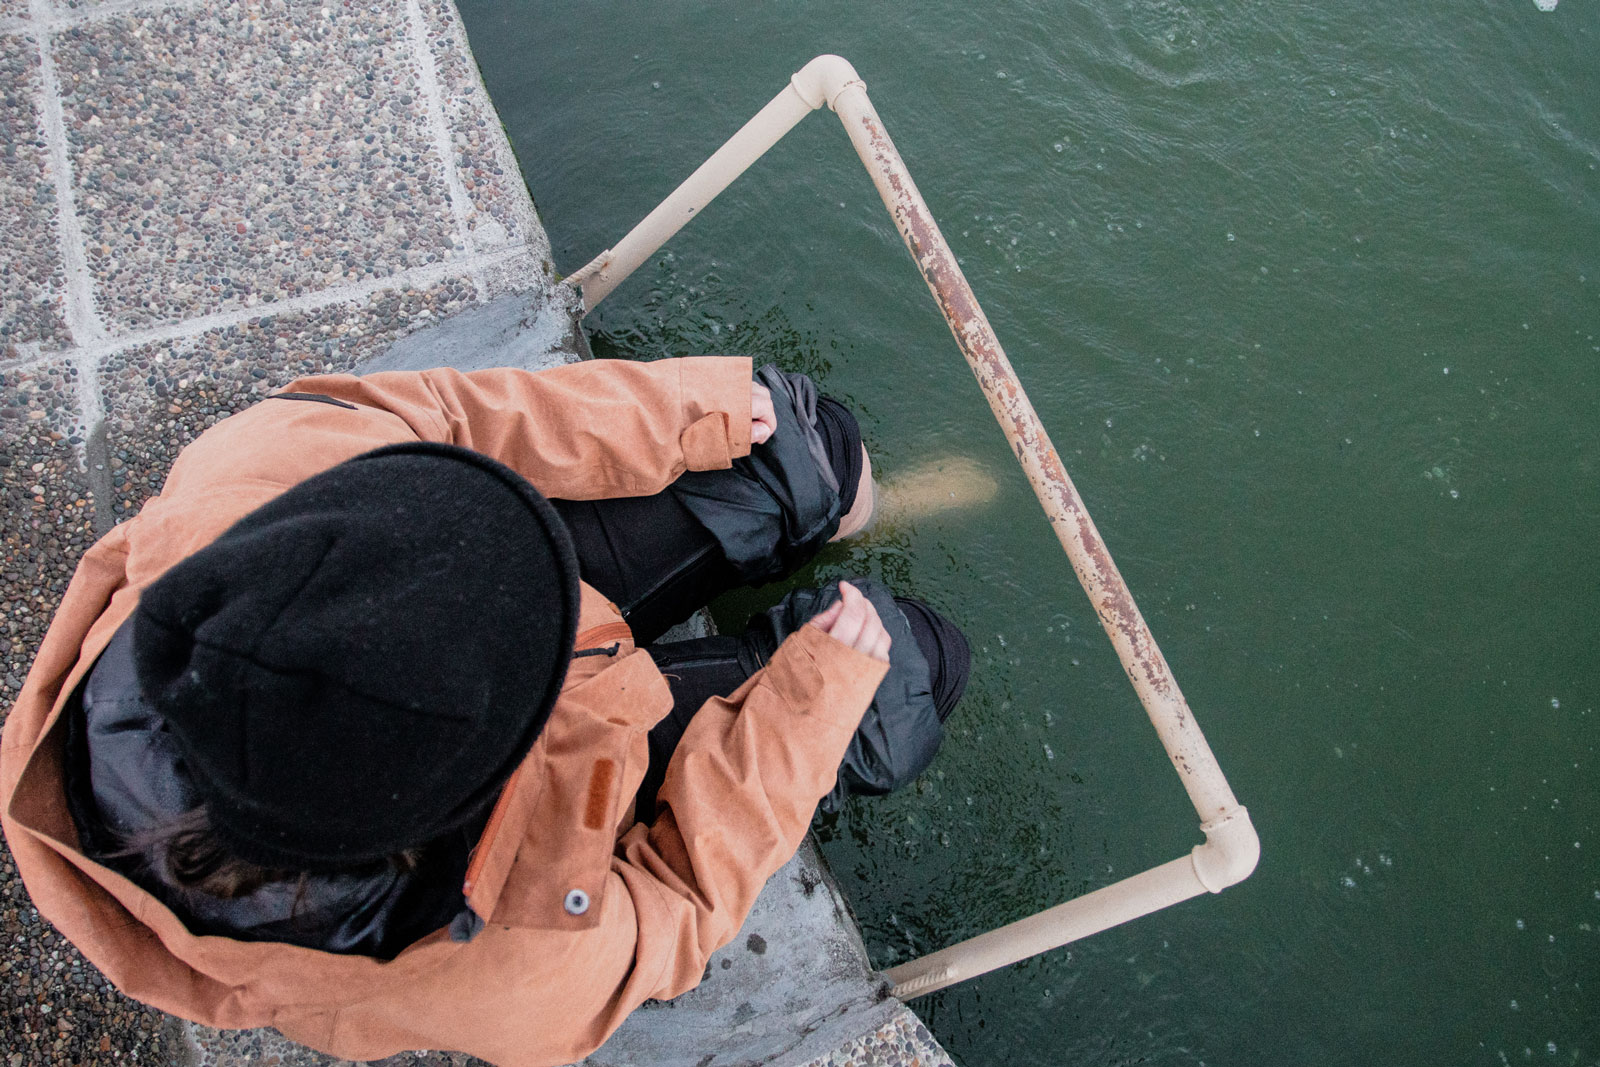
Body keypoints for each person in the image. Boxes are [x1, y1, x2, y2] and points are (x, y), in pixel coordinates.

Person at [0, 354, 967, 1067]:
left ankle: (849, 520)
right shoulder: (504, 964)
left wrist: (690, 413)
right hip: (569, 773)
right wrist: (806, 710)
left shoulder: (261, 482)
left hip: (524, 706)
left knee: (802, 454)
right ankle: (812, 643)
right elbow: (671, 912)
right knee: (903, 676)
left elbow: (448, 413)